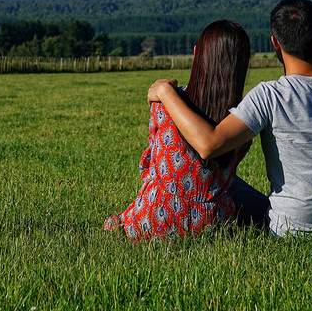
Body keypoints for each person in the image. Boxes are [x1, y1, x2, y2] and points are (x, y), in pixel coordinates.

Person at [148, 0, 312, 236]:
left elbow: (209, 144)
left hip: (288, 231)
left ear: (275, 43)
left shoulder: (269, 95)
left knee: (225, 185)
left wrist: (165, 92)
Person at [104, 19, 254, 239]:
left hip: (153, 218)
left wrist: (164, 92)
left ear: (197, 54)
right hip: (213, 223)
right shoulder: (241, 119)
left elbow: (150, 162)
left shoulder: (164, 105)